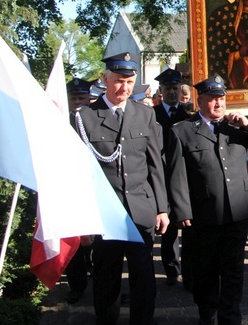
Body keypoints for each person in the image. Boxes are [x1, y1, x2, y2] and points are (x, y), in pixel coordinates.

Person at [74, 52, 169, 325]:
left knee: (144, 277)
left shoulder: (145, 114)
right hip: (106, 213)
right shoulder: (84, 117)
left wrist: (161, 208)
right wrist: (84, 219)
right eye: (118, 81)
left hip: (140, 209)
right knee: (106, 279)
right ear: (105, 79)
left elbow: (155, 164)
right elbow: (79, 173)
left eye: (129, 82)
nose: (124, 88)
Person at [168, 75, 248, 325]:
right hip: (203, 214)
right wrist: (181, 211)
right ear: (200, 101)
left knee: (233, 270)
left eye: (221, 99)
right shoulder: (183, 131)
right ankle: (207, 313)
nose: (218, 104)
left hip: (237, 212)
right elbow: (176, 174)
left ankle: (231, 315)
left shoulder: (236, 127)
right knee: (205, 271)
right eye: (212, 100)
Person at [153, 68, 192, 288]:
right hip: (162, 175)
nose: (171, 93)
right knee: (167, 230)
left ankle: (188, 271)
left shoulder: (187, 115)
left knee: (187, 225)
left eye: (175, 89)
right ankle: (171, 270)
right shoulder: (153, 115)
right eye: (167, 89)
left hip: (184, 176)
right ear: (161, 91)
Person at [64, 77, 92, 304]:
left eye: (81, 98)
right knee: (75, 243)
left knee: (101, 243)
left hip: (95, 190)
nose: (77, 102)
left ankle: (105, 287)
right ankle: (76, 285)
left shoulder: (97, 121)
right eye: (73, 98)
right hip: (72, 190)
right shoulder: (60, 121)